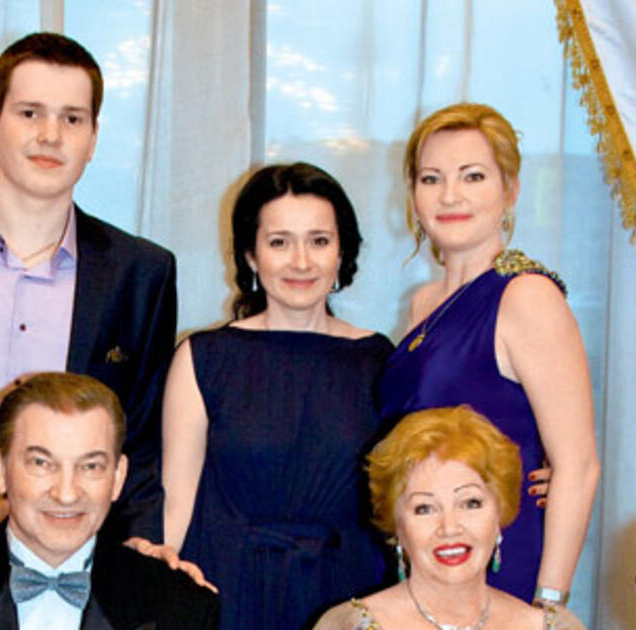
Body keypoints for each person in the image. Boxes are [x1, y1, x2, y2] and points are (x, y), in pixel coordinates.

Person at [0, 32, 176, 544]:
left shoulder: (141, 274)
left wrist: (139, 559)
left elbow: (142, 444)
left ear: (93, 138)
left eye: (72, 119)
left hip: (74, 568)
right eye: (29, 113)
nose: (50, 135)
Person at [377, 102, 599, 606]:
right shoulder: (422, 303)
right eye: (431, 179)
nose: (450, 195)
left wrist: (548, 605)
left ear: (510, 189)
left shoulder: (527, 296)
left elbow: (579, 465)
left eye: (472, 176)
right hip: (421, 558)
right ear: (412, 194)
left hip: (500, 564)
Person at [162, 162, 395, 629]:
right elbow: (174, 505)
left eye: (319, 241)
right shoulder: (203, 359)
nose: (301, 262)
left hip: (349, 596)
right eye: (279, 242)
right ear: (251, 255)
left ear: (342, 251)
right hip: (227, 593)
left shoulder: (377, 359)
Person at [0, 372, 219, 629]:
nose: (66, 494)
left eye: (90, 466)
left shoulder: (181, 607)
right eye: (41, 463)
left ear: (117, 478)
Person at [314, 406, 586, 629]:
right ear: (397, 526)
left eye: (470, 503)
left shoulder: (549, 627)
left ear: (499, 513)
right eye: (425, 508)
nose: (449, 527)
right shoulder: (350, 626)